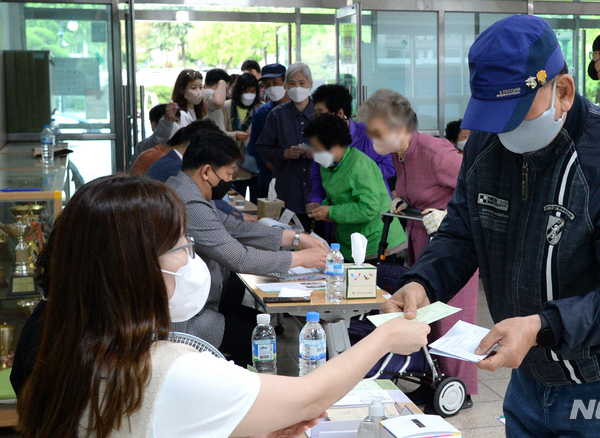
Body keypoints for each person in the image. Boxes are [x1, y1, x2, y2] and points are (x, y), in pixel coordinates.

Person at [383, 15, 600, 437]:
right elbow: (463, 231)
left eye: (517, 115)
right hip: (529, 375)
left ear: (564, 91)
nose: (505, 131)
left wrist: (542, 325)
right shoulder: (488, 144)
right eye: (495, 117)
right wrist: (421, 282)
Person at [15, 174, 431, 438]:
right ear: (134, 269)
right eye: (181, 247)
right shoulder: (167, 368)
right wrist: (387, 336)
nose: (193, 259)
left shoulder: (63, 339)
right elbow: (310, 397)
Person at [357, 89, 479, 400]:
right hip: (420, 240)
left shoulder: (436, 153)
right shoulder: (399, 154)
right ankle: (434, 380)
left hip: (453, 247)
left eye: (376, 132)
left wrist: (448, 214)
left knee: (453, 318)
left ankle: (459, 389)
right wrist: (401, 200)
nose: (371, 139)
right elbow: (412, 190)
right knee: (425, 315)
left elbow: (478, 189)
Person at [166, 130, 328, 365]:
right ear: (206, 171)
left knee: (255, 320)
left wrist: (295, 238)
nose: (232, 180)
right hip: (186, 319)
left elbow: (235, 228)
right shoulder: (189, 203)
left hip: (195, 302)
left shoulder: (187, 190)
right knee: (254, 336)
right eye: (229, 174)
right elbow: (240, 258)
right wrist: (301, 259)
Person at [304, 114, 406, 261]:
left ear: (333, 144)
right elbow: (339, 198)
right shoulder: (327, 166)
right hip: (350, 241)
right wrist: (321, 207)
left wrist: (331, 212)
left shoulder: (359, 165)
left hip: (375, 242)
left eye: (316, 147)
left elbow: (368, 208)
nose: (313, 152)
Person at [306, 84, 395, 215]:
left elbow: (389, 168)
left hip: (372, 209)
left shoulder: (369, 134)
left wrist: (352, 177)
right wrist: (316, 201)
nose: (317, 119)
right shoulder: (321, 138)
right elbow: (317, 177)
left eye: (321, 114)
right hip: (336, 211)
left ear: (340, 113)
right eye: (315, 115)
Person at [146, 121, 251, 222]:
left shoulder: (169, 162)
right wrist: (237, 216)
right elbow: (204, 202)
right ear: (196, 145)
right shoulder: (177, 170)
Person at [255, 62, 315, 229]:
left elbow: (336, 150)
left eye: (302, 83)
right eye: (292, 83)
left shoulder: (319, 113)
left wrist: (317, 154)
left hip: (317, 189)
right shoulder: (277, 115)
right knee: (291, 238)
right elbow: (262, 148)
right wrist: (284, 154)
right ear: (286, 86)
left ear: (310, 84)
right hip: (288, 188)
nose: (297, 88)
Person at [248, 63, 290, 200]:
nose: (271, 87)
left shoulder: (297, 110)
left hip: (294, 180)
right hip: (268, 180)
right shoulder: (262, 113)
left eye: (275, 83)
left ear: (285, 82)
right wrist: (264, 161)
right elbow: (254, 146)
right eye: (267, 84)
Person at [230, 73, 264, 203]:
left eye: (252, 91)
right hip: (235, 165)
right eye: (245, 90)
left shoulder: (261, 107)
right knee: (236, 203)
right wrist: (234, 135)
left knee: (258, 203)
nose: (248, 94)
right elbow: (219, 132)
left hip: (256, 165)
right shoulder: (227, 107)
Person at [130, 104, 174, 175]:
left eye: (176, 121)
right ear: (154, 125)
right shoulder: (146, 145)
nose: (173, 125)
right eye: (170, 121)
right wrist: (167, 121)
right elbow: (160, 137)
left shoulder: (182, 147)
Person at [203, 68, 245, 142]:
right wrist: (222, 83)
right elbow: (218, 102)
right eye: (226, 88)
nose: (227, 93)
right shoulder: (208, 93)